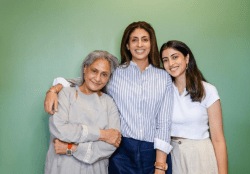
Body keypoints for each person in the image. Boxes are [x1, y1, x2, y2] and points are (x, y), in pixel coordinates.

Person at [44, 21, 173, 174]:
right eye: (134, 39)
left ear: (151, 43)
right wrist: (55, 89)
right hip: (122, 151)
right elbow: (90, 81)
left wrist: (160, 166)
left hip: (152, 151)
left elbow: (164, 123)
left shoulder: (164, 77)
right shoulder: (116, 73)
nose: (140, 44)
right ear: (127, 45)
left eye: (145, 39)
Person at [44, 50, 121, 174]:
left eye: (104, 74)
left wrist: (72, 148)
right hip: (62, 167)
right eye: (94, 71)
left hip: (96, 170)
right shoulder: (65, 94)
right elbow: (60, 129)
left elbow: (111, 144)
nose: (97, 78)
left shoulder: (109, 103)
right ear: (85, 68)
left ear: (109, 78)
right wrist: (101, 134)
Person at [159, 40, 228, 174]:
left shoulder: (208, 90)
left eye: (175, 57)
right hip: (172, 157)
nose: (171, 64)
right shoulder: (163, 91)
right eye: (165, 60)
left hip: (200, 156)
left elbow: (218, 139)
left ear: (187, 58)